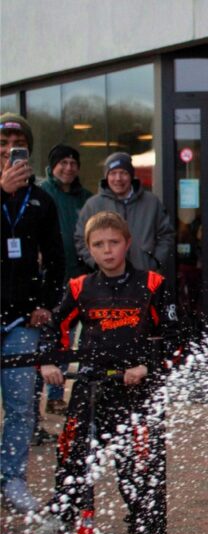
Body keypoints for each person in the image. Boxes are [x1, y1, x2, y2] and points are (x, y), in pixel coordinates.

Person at [35, 211, 178, 534]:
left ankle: (144, 529)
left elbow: (175, 338)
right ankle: (64, 518)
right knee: (71, 454)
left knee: (135, 460)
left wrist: (147, 366)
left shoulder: (153, 284)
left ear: (127, 244)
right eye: (99, 245)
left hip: (136, 389)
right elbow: (54, 329)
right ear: (88, 250)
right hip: (89, 385)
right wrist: (51, 361)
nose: (107, 250)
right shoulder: (79, 287)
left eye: (114, 242)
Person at [1, 113, 64, 514]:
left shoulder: (41, 199)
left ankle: (13, 480)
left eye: (17, 146)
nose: (9, 152)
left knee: (22, 406)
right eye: (3, 145)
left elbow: (58, 261)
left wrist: (46, 305)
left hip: (21, 320)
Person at [38, 143, 92, 415]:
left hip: (82, 277)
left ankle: (74, 393)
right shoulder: (42, 193)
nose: (68, 168)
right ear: (53, 165)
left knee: (80, 340)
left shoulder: (87, 198)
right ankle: (52, 394)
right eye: (63, 163)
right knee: (56, 337)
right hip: (52, 278)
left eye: (73, 163)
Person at [75, 152, 175, 276]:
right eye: (113, 173)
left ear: (131, 176)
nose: (118, 178)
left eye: (123, 173)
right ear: (106, 177)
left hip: (144, 274)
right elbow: (81, 239)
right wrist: (96, 263)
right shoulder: (93, 205)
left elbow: (166, 235)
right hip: (106, 277)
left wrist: (155, 261)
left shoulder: (151, 202)